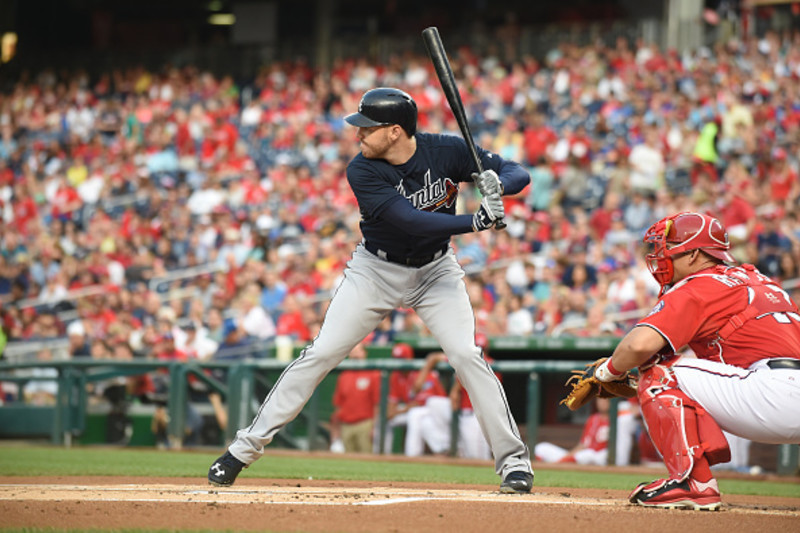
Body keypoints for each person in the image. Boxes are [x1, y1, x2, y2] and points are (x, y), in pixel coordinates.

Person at [208, 87, 533, 493]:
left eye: (368, 128)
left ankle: (514, 464)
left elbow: (519, 172)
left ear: (395, 131)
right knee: (322, 353)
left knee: (467, 356)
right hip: (375, 270)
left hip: (435, 271)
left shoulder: (446, 150)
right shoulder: (362, 169)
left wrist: (497, 183)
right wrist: (475, 220)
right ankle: (241, 451)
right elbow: (410, 220)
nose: (358, 135)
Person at [590, 211, 800, 510]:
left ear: (695, 255)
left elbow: (638, 346)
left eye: (668, 251)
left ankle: (693, 482)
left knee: (660, 370)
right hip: (780, 383)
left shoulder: (701, 283)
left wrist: (606, 372)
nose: (660, 258)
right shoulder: (761, 279)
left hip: (773, 393)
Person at [329, 341, 381, 454]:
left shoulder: (373, 374)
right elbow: (338, 405)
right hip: (346, 425)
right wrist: (336, 431)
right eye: (353, 352)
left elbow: (378, 404)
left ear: (364, 353)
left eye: (358, 351)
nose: (356, 355)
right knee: (347, 462)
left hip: (365, 424)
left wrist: (375, 428)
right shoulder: (344, 375)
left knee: (367, 460)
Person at [535, 397, 611, 465]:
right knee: (541, 447)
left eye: (606, 400)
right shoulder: (592, 419)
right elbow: (583, 444)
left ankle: (559, 464)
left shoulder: (619, 419)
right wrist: (569, 455)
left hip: (600, 457)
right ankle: (561, 463)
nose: (602, 402)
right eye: (600, 399)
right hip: (581, 457)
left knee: (589, 455)